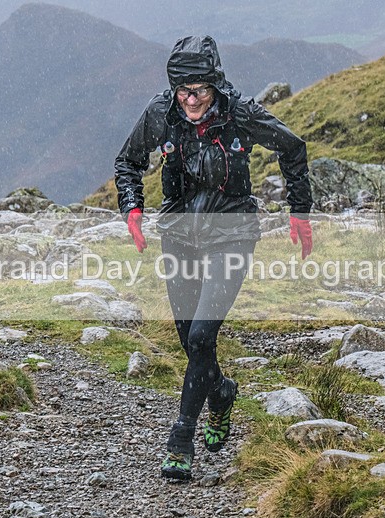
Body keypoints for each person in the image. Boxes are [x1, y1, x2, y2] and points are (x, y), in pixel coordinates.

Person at [114, 35, 313, 480]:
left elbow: (292, 147)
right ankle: (220, 392)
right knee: (190, 341)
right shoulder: (161, 112)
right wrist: (133, 208)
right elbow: (128, 161)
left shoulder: (239, 112)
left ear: (215, 86)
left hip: (233, 233)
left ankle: (181, 438)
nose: (191, 100)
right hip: (179, 234)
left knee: (203, 336)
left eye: (200, 91)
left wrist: (300, 211)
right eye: (183, 91)